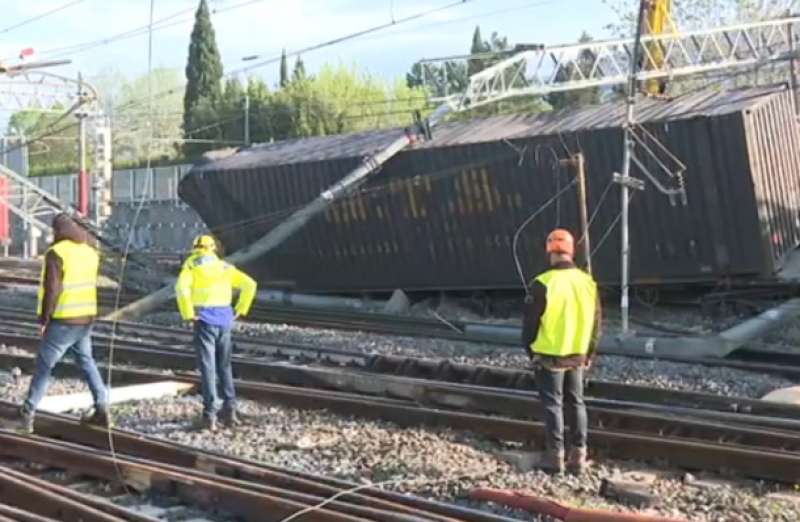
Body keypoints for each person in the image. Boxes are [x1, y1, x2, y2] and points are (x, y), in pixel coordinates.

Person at [19, 213, 110, 434]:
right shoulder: (90, 252)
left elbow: (52, 289)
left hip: (64, 320)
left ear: (59, 230)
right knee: (86, 361)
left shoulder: (56, 253)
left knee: (44, 366)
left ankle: (27, 413)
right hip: (86, 318)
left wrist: (44, 319)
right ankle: (102, 407)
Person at [522, 228, 601, 474]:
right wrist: (590, 352)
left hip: (550, 355)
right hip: (578, 354)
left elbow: (530, 324)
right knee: (576, 403)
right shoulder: (587, 282)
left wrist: (530, 350)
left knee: (553, 405)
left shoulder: (543, 283)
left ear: (550, 252)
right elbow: (597, 321)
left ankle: (555, 456)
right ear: (571, 252)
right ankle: (578, 455)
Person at [175, 234, 257, 431]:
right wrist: (241, 308)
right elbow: (250, 284)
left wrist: (188, 313)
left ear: (195, 247)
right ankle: (230, 411)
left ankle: (209, 415)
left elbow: (181, 288)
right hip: (225, 319)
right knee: (225, 366)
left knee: (208, 368)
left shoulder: (192, 265)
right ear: (213, 248)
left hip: (204, 320)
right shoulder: (224, 266)